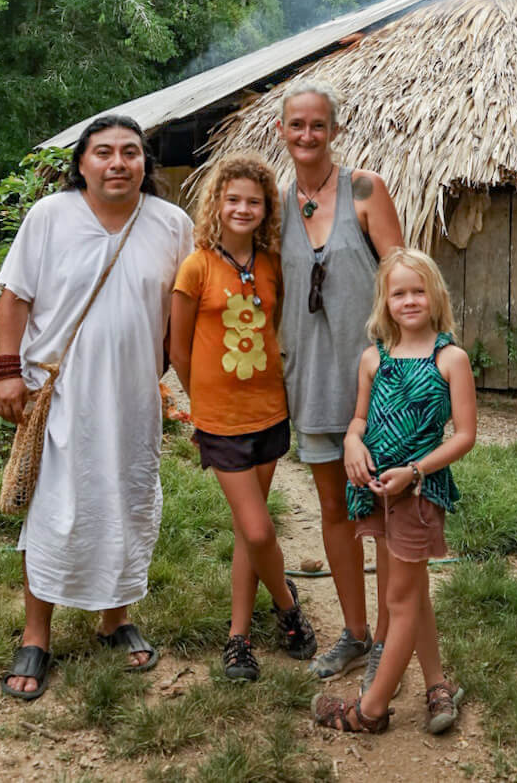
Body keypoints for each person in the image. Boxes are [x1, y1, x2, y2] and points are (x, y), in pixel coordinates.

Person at [0, 115, 193, 700]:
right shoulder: (49, 218)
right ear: (81, 164)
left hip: (134, 396)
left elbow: (182, 314)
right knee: (56, 507)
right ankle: (37, 634)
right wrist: (7, 373)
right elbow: (15, 297)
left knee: (127, 499)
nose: (117, 163)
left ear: (144, 165)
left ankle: (115, 618)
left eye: (130, 152)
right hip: (59, 396)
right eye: (103, 152)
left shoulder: (171, 224)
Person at [312, 247, 476, 735]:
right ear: (385, 301)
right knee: (410, 590)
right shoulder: (373, 357)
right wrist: (351, 441)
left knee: (399, 600)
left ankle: (370, 710)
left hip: (417, 493)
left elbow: (464, 435)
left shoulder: (451, 359)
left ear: (436, 296)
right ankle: (437, 683)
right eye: (398, 292)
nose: (409, 301)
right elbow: (359, 418)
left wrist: (415, 471)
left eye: (418, 290)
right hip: (374, 489)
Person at [169, 152, 316, 681]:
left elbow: (281, 329)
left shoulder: (272, 262)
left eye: (253, 201)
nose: (243, 208)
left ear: (265, 208)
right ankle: (285, 604)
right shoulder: (197, 266)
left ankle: (238, 638)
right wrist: (200, 406)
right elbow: (179, 347)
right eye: (233, 199)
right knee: (257, 529)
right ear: (216, 202)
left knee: (245, 531)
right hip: (221, 421)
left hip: (270, 413)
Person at [277, 77, 404, 682]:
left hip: (377, 386)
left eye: (318, 125)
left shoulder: (364, 190)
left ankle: (386, 637)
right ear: (283, 131)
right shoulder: (275, 206)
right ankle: (353, 633)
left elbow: (405, 284)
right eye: (296, 125)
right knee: (333, 509)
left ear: (334, 130)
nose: (307, 134)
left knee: (380, 512)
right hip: (312, 382)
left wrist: (410, 367)